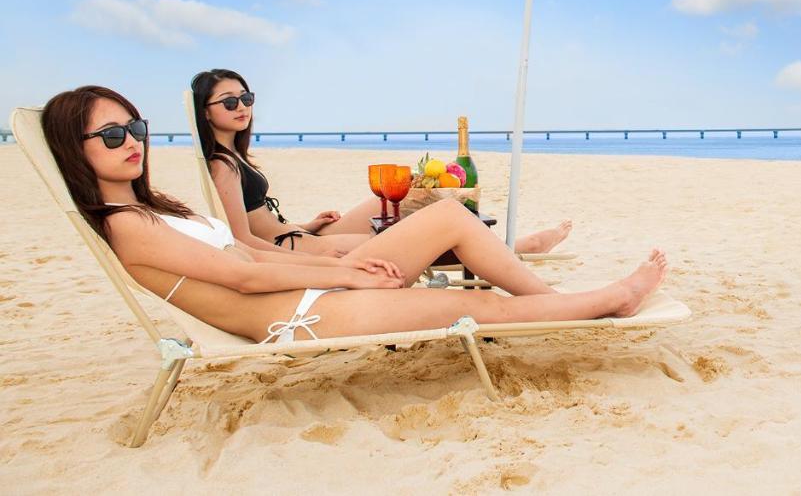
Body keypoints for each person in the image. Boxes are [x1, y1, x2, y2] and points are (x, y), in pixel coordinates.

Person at [41, 85, 666, 343]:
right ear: (77, 151)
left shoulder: (153, 209)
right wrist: (349, 273)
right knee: (480, 309)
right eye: (113, 135)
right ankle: (607, 302)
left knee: (448, 216)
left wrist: (338, 256)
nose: (134, 142)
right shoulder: (125, 225)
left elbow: (250, 254)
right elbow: (243, 279)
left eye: (136, 127)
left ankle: (559, 296)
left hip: (307, 287)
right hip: (301, 312)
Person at [190, 69, 572, 257]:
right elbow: (243, 240)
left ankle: (488, 241)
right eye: (228, 102)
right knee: (400, 237)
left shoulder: (234, 156)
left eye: (246, 97)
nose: (241, 107)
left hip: (298, 234)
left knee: (396, 198)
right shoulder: (222, 165)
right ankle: (519, 246)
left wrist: (309, 226)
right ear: (206, 113)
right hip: (290, 249)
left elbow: (259, 217)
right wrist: (315, 259)